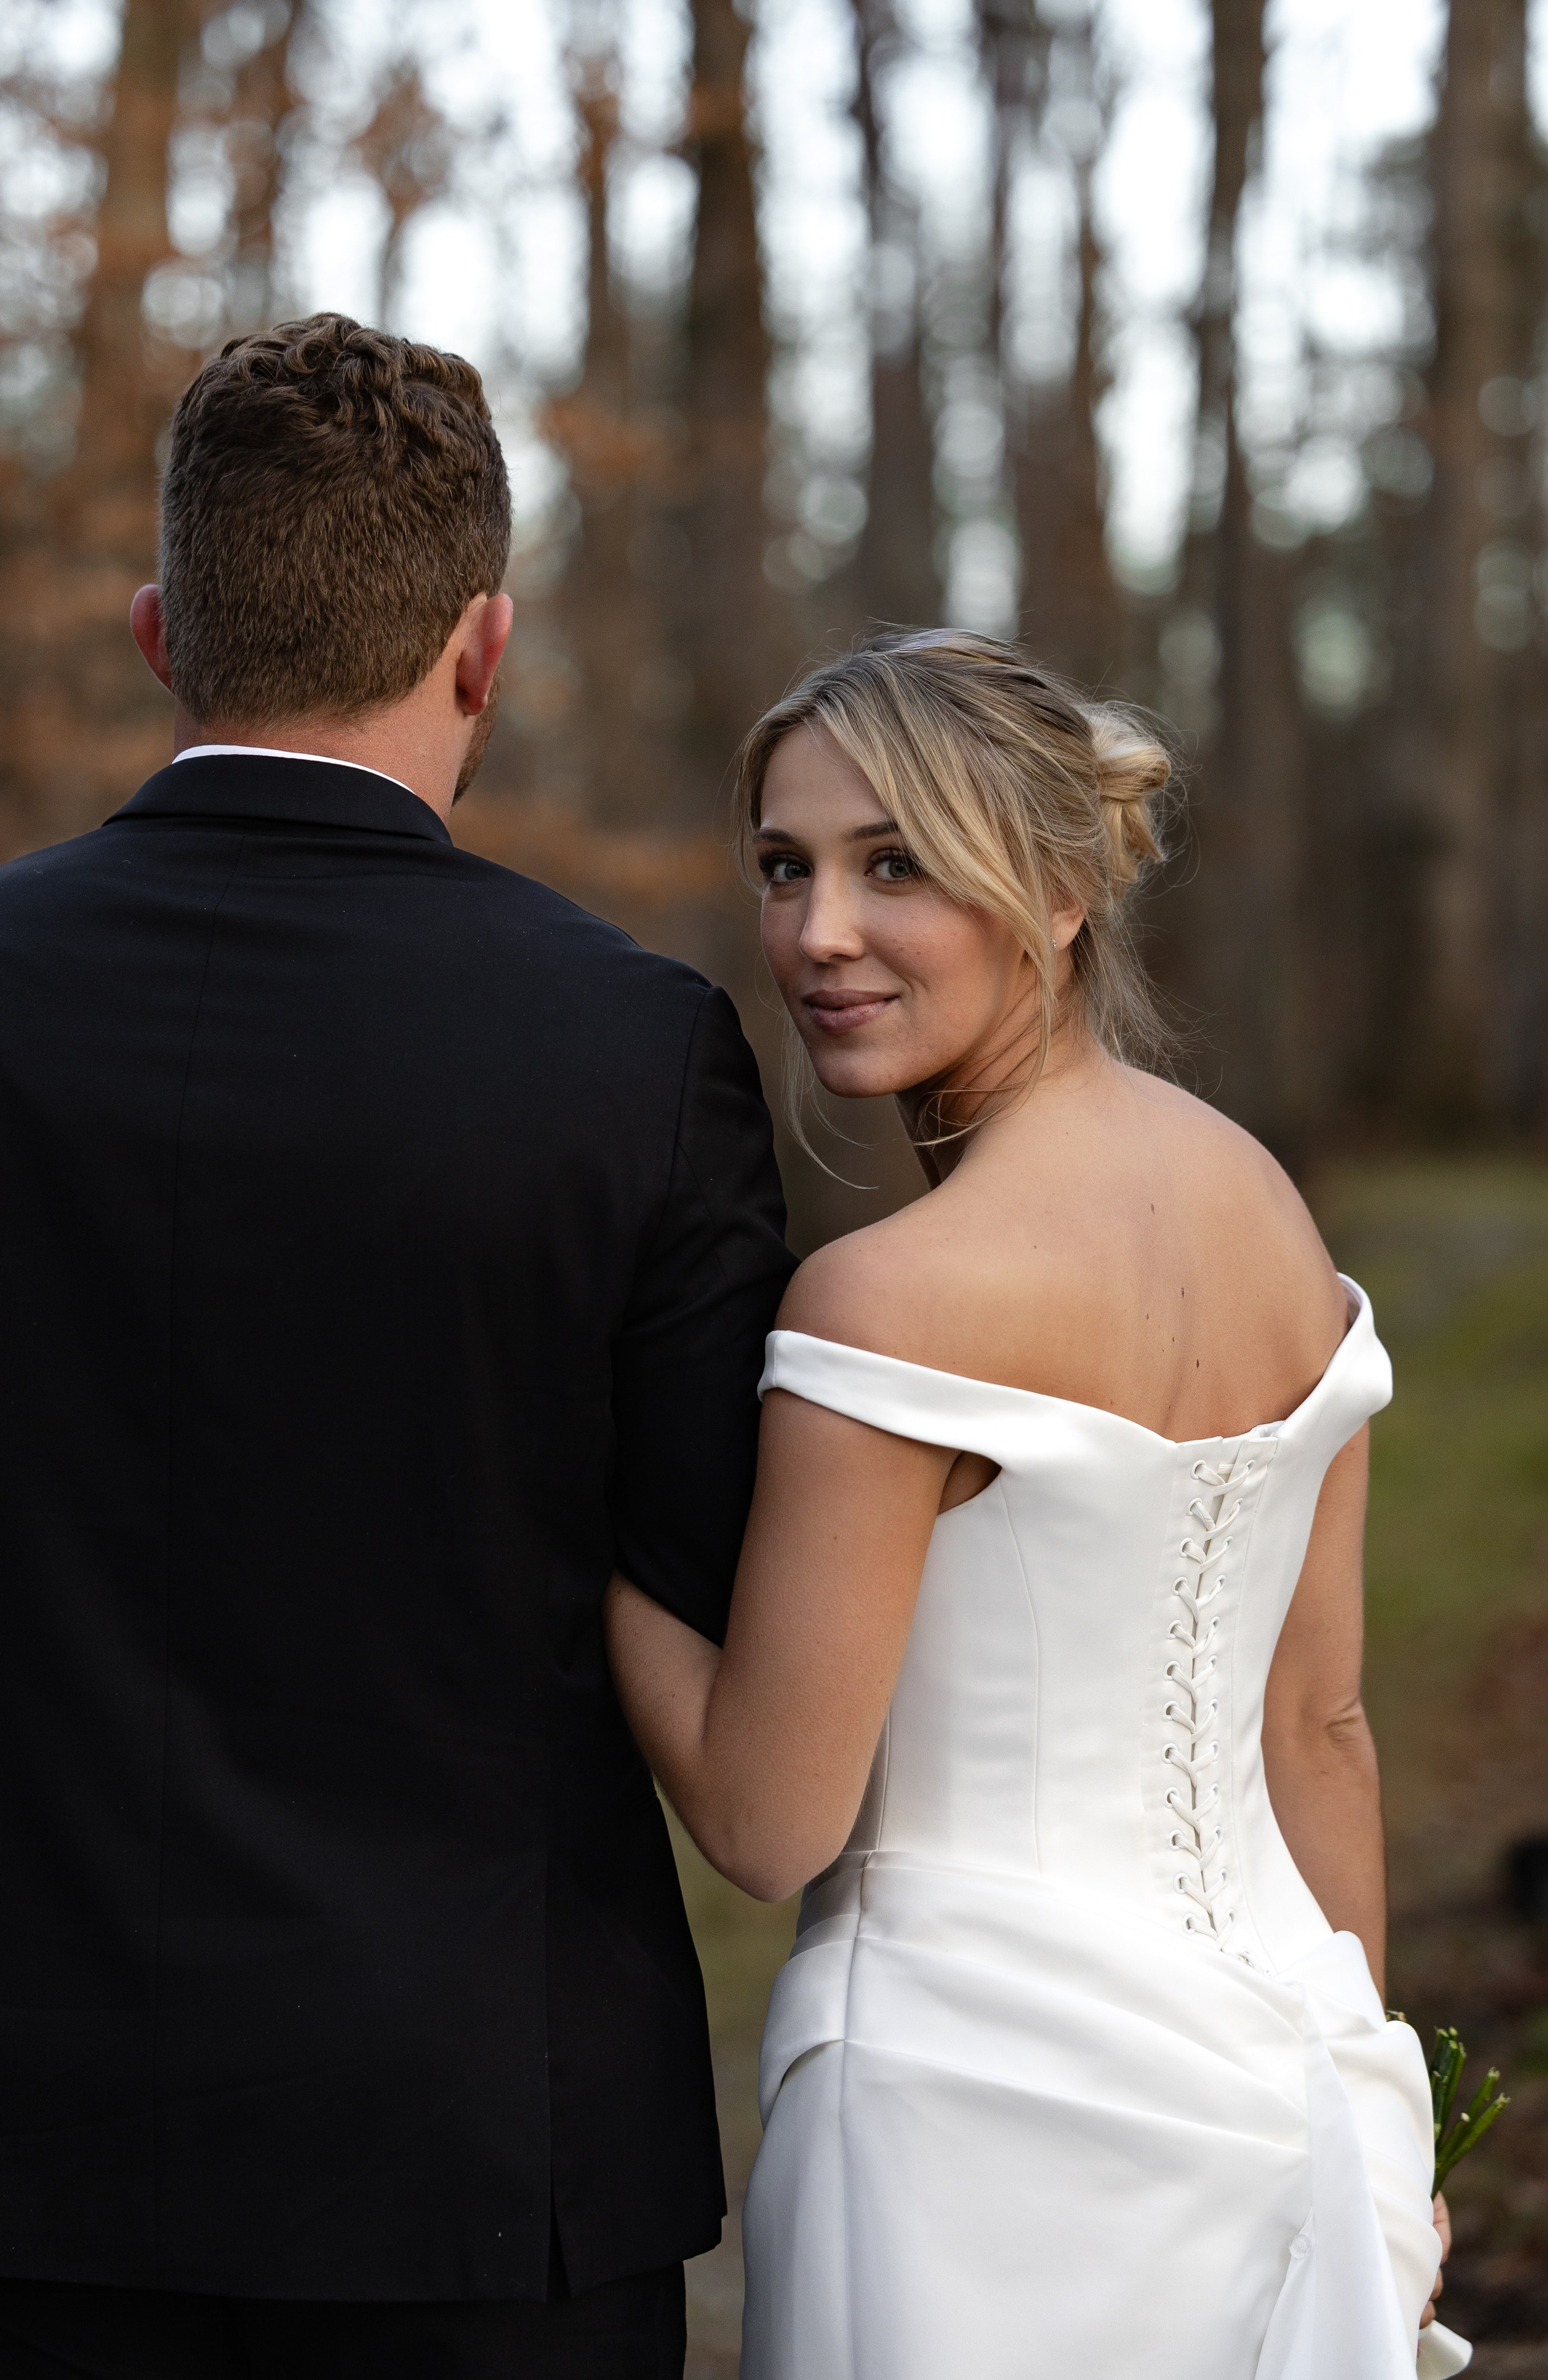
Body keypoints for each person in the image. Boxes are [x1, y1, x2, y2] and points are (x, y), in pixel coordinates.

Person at [0, 315, 794, 2379]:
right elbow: (701, 1586)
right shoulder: (632, 1051)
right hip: (478, 2169)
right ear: (485, 648)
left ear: (164, 630)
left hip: (0, 2153)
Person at [605, 631, 1472, 2378]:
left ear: (1062, 891)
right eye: (786, 866)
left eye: (895, 862)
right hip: (1285, 2099)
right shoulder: (1268, 1214)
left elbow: (773, 1822)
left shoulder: (887, 1302)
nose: (818, 934)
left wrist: (564, 1507)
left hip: (962, 2130)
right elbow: (1321, 1727)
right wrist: (1378, 2115)